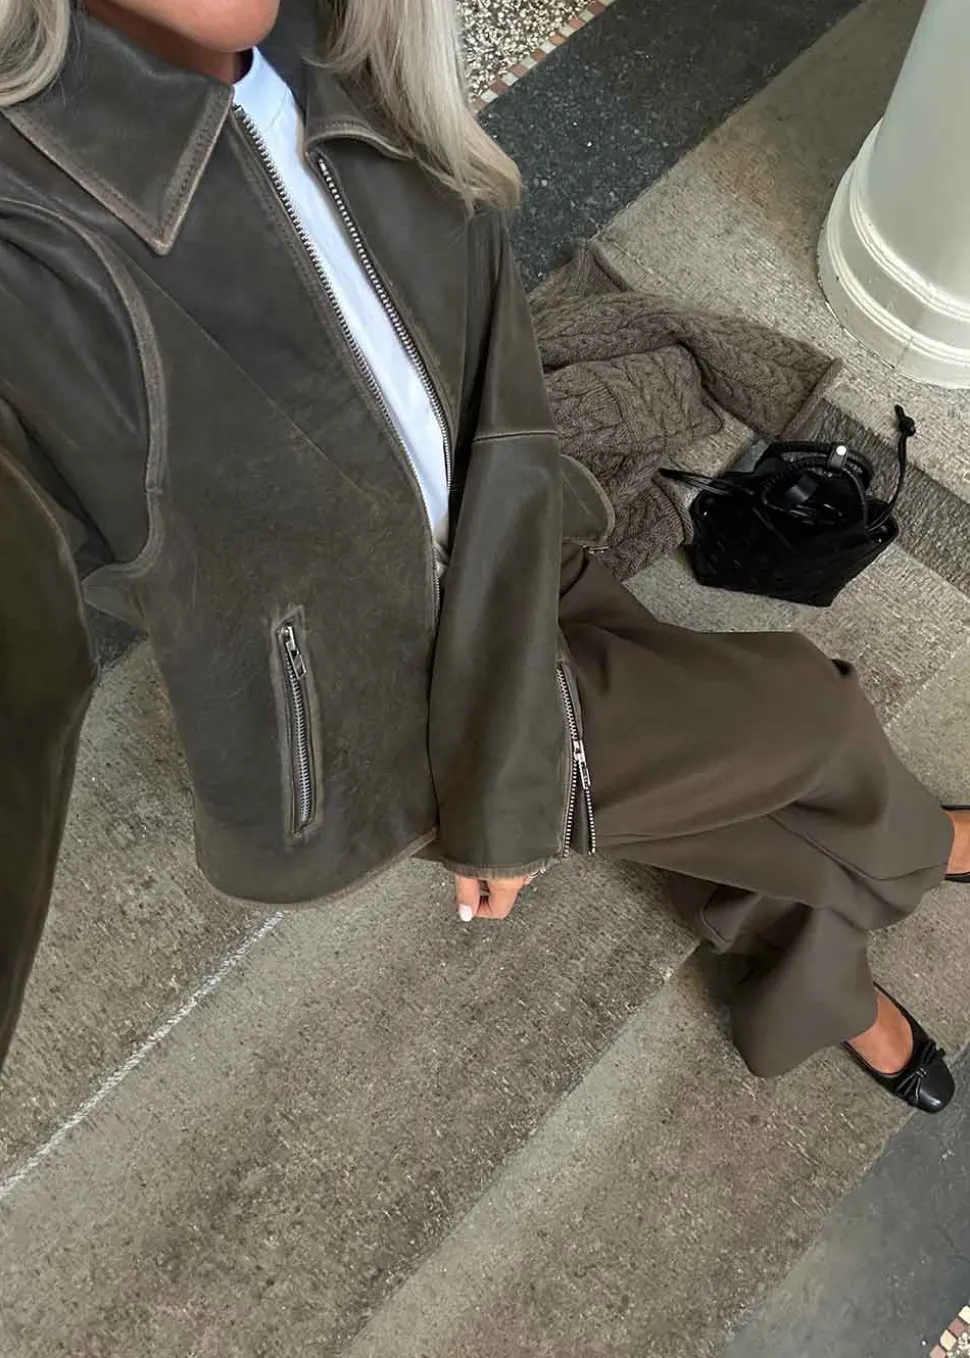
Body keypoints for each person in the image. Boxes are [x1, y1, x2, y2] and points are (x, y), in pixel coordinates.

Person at [0, 0, 966, 1112]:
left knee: (725, 802)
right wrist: (504, 793)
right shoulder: (26, 253)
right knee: (812, 720)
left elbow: (488, 326)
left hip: (518, 539)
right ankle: (917, 849)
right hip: (391, 710)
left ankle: (821, 995)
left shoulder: (338, 38)